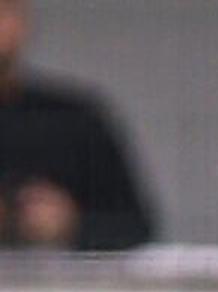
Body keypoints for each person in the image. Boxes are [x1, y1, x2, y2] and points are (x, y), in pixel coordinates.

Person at [0, 0, 155, 252]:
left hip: (59, 287)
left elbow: (135, 228)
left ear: (24, 21)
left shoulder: (74, 118)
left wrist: (71, 225)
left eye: (5, 11)